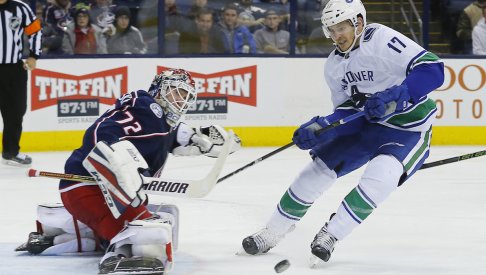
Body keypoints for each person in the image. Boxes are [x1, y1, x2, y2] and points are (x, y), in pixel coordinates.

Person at [241, 0, 444, 266]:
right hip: (369, 129)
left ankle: (331, 235)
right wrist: (323, 127)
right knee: (315, 170)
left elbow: (433, 69)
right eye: (331, 30)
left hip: (408, 131)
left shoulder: (381, 38)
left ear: (358, 22)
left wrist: (398, 95)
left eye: (341, 28)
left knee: (379, 179)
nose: (337, 36)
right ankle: (273, 231)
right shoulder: (334, 66)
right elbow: (349, 113)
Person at [15, 68, 241, 274]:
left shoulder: (159, 121)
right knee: (150, 238)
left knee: (165, 219)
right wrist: (122, 166)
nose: (181, 101)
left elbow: (169, 136)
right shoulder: (145, 107)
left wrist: (203, 140)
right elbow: (98, 135)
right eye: (177, 93)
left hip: (102, 194)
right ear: (160, 89)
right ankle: (118, 255)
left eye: (186, 97)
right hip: (89, 188)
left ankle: (58, 239)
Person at [0, 0, 42, 166]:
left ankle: (10, 152)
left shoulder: (20, 8)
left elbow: (35, 31)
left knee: (16, 111)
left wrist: (34, 55)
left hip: (14, 70)